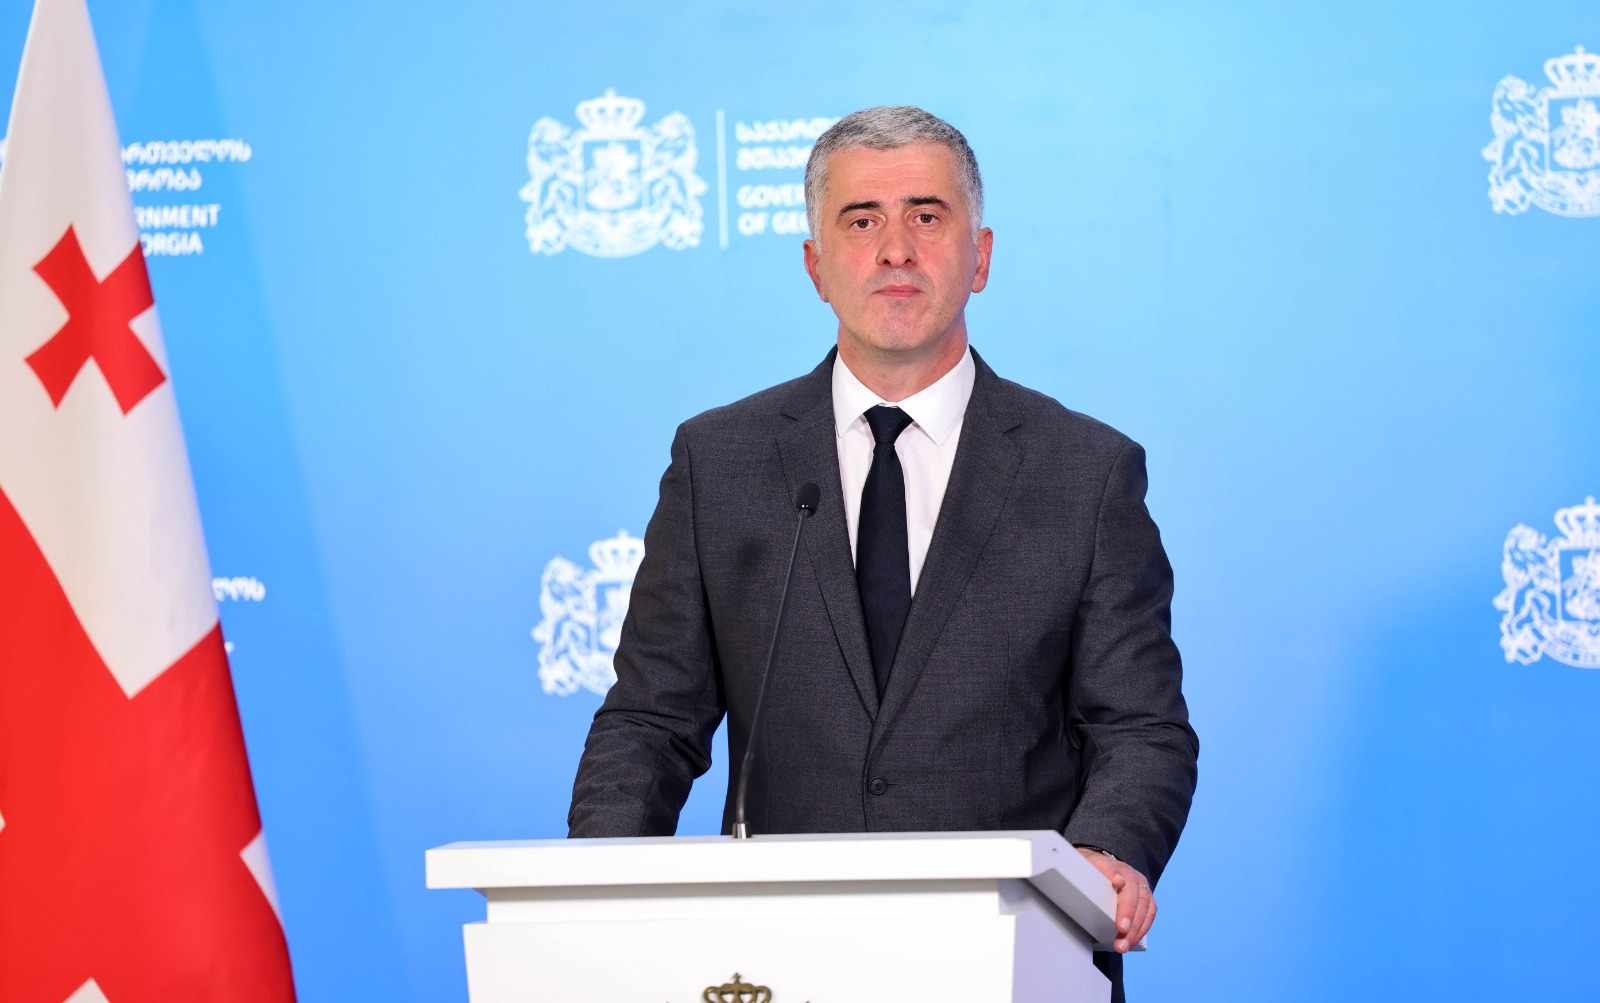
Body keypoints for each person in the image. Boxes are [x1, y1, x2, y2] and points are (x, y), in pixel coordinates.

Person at [567, 105, 1198, 1002]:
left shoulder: (1085, 471)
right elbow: (650, 721)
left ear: (980, 256)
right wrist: (592, 894)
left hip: (1016, 960)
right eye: (861, 221)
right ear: (815, 266)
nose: (895, 249)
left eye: (926, 216)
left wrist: (1105, 851)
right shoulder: (721, 462)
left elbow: (1139, 726)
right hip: (773, 961)